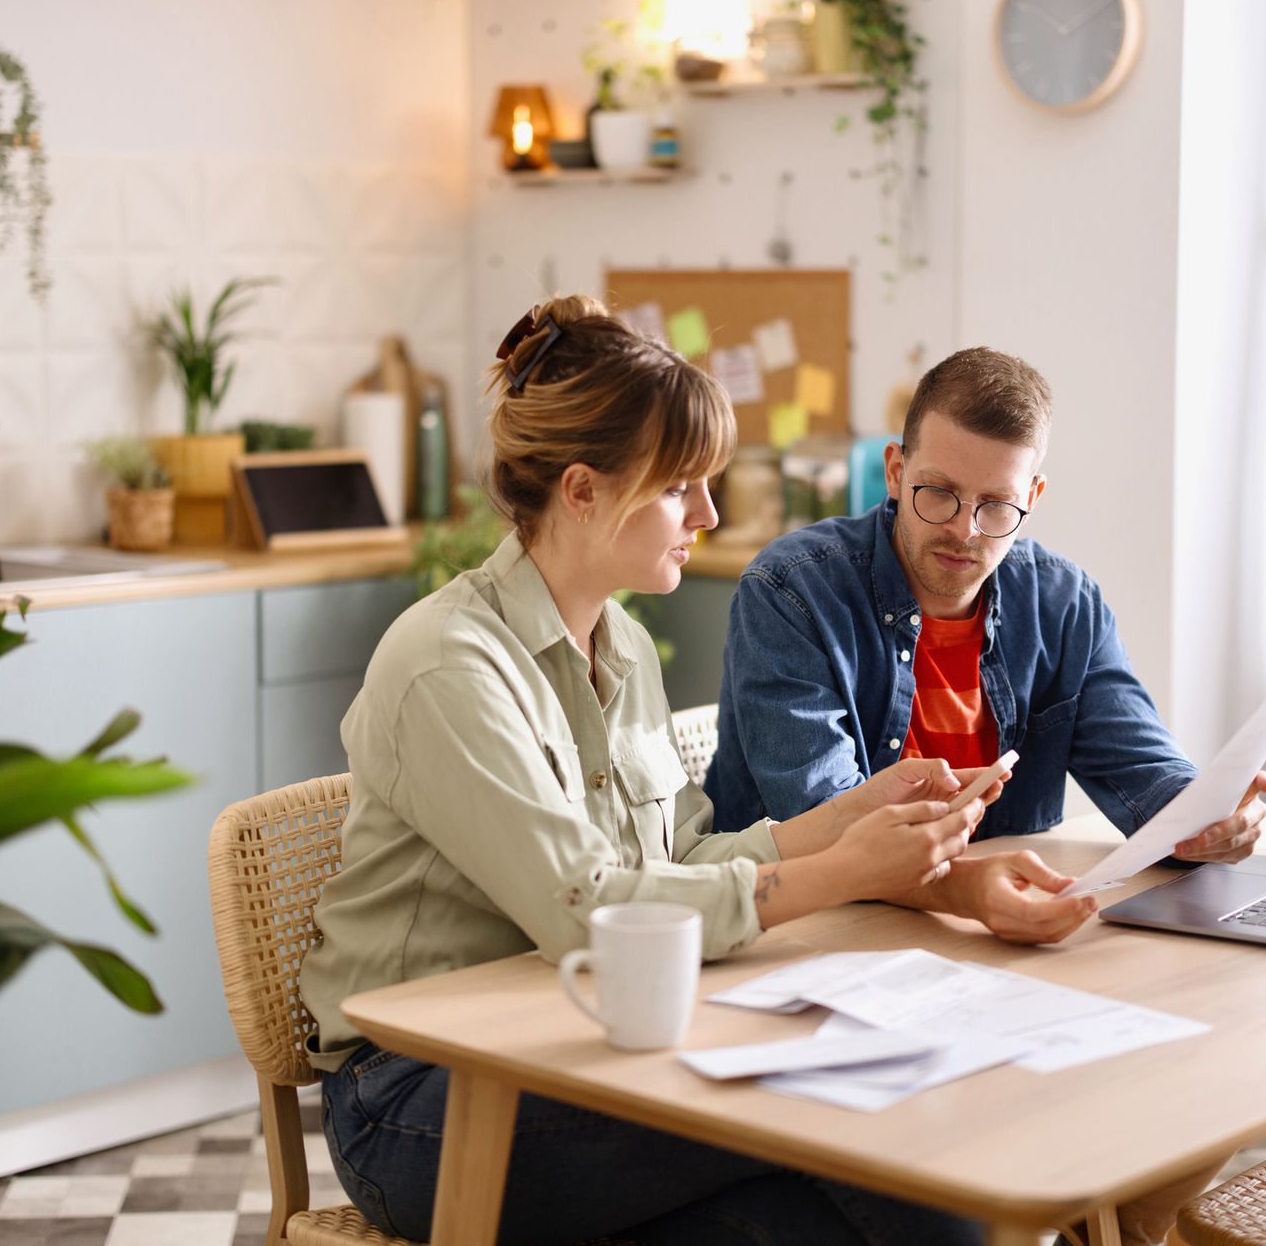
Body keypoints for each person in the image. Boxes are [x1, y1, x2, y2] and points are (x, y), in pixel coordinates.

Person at [300, 296, 1006, 1246]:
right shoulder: (446, 663)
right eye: (683, 488)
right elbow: (584, 909)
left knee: (838, 1209)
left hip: (585, 1038)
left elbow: (678, 851)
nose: (708, 515)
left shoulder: (622, 640)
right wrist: (842, 874)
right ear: (584, 490)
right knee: (851, 1123)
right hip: (424, 1096)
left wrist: (847, 816)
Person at [707, 345, 1266, 948]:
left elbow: (1147, 775)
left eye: (996, 505)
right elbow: (826, 826)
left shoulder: (1064, 604)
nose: (964, 529)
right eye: (938, 493)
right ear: (896, 471)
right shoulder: (792, 591)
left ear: (1034, 496)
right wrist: (965, 889)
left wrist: (1207, 818)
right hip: (794, 932)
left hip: (980, 933)